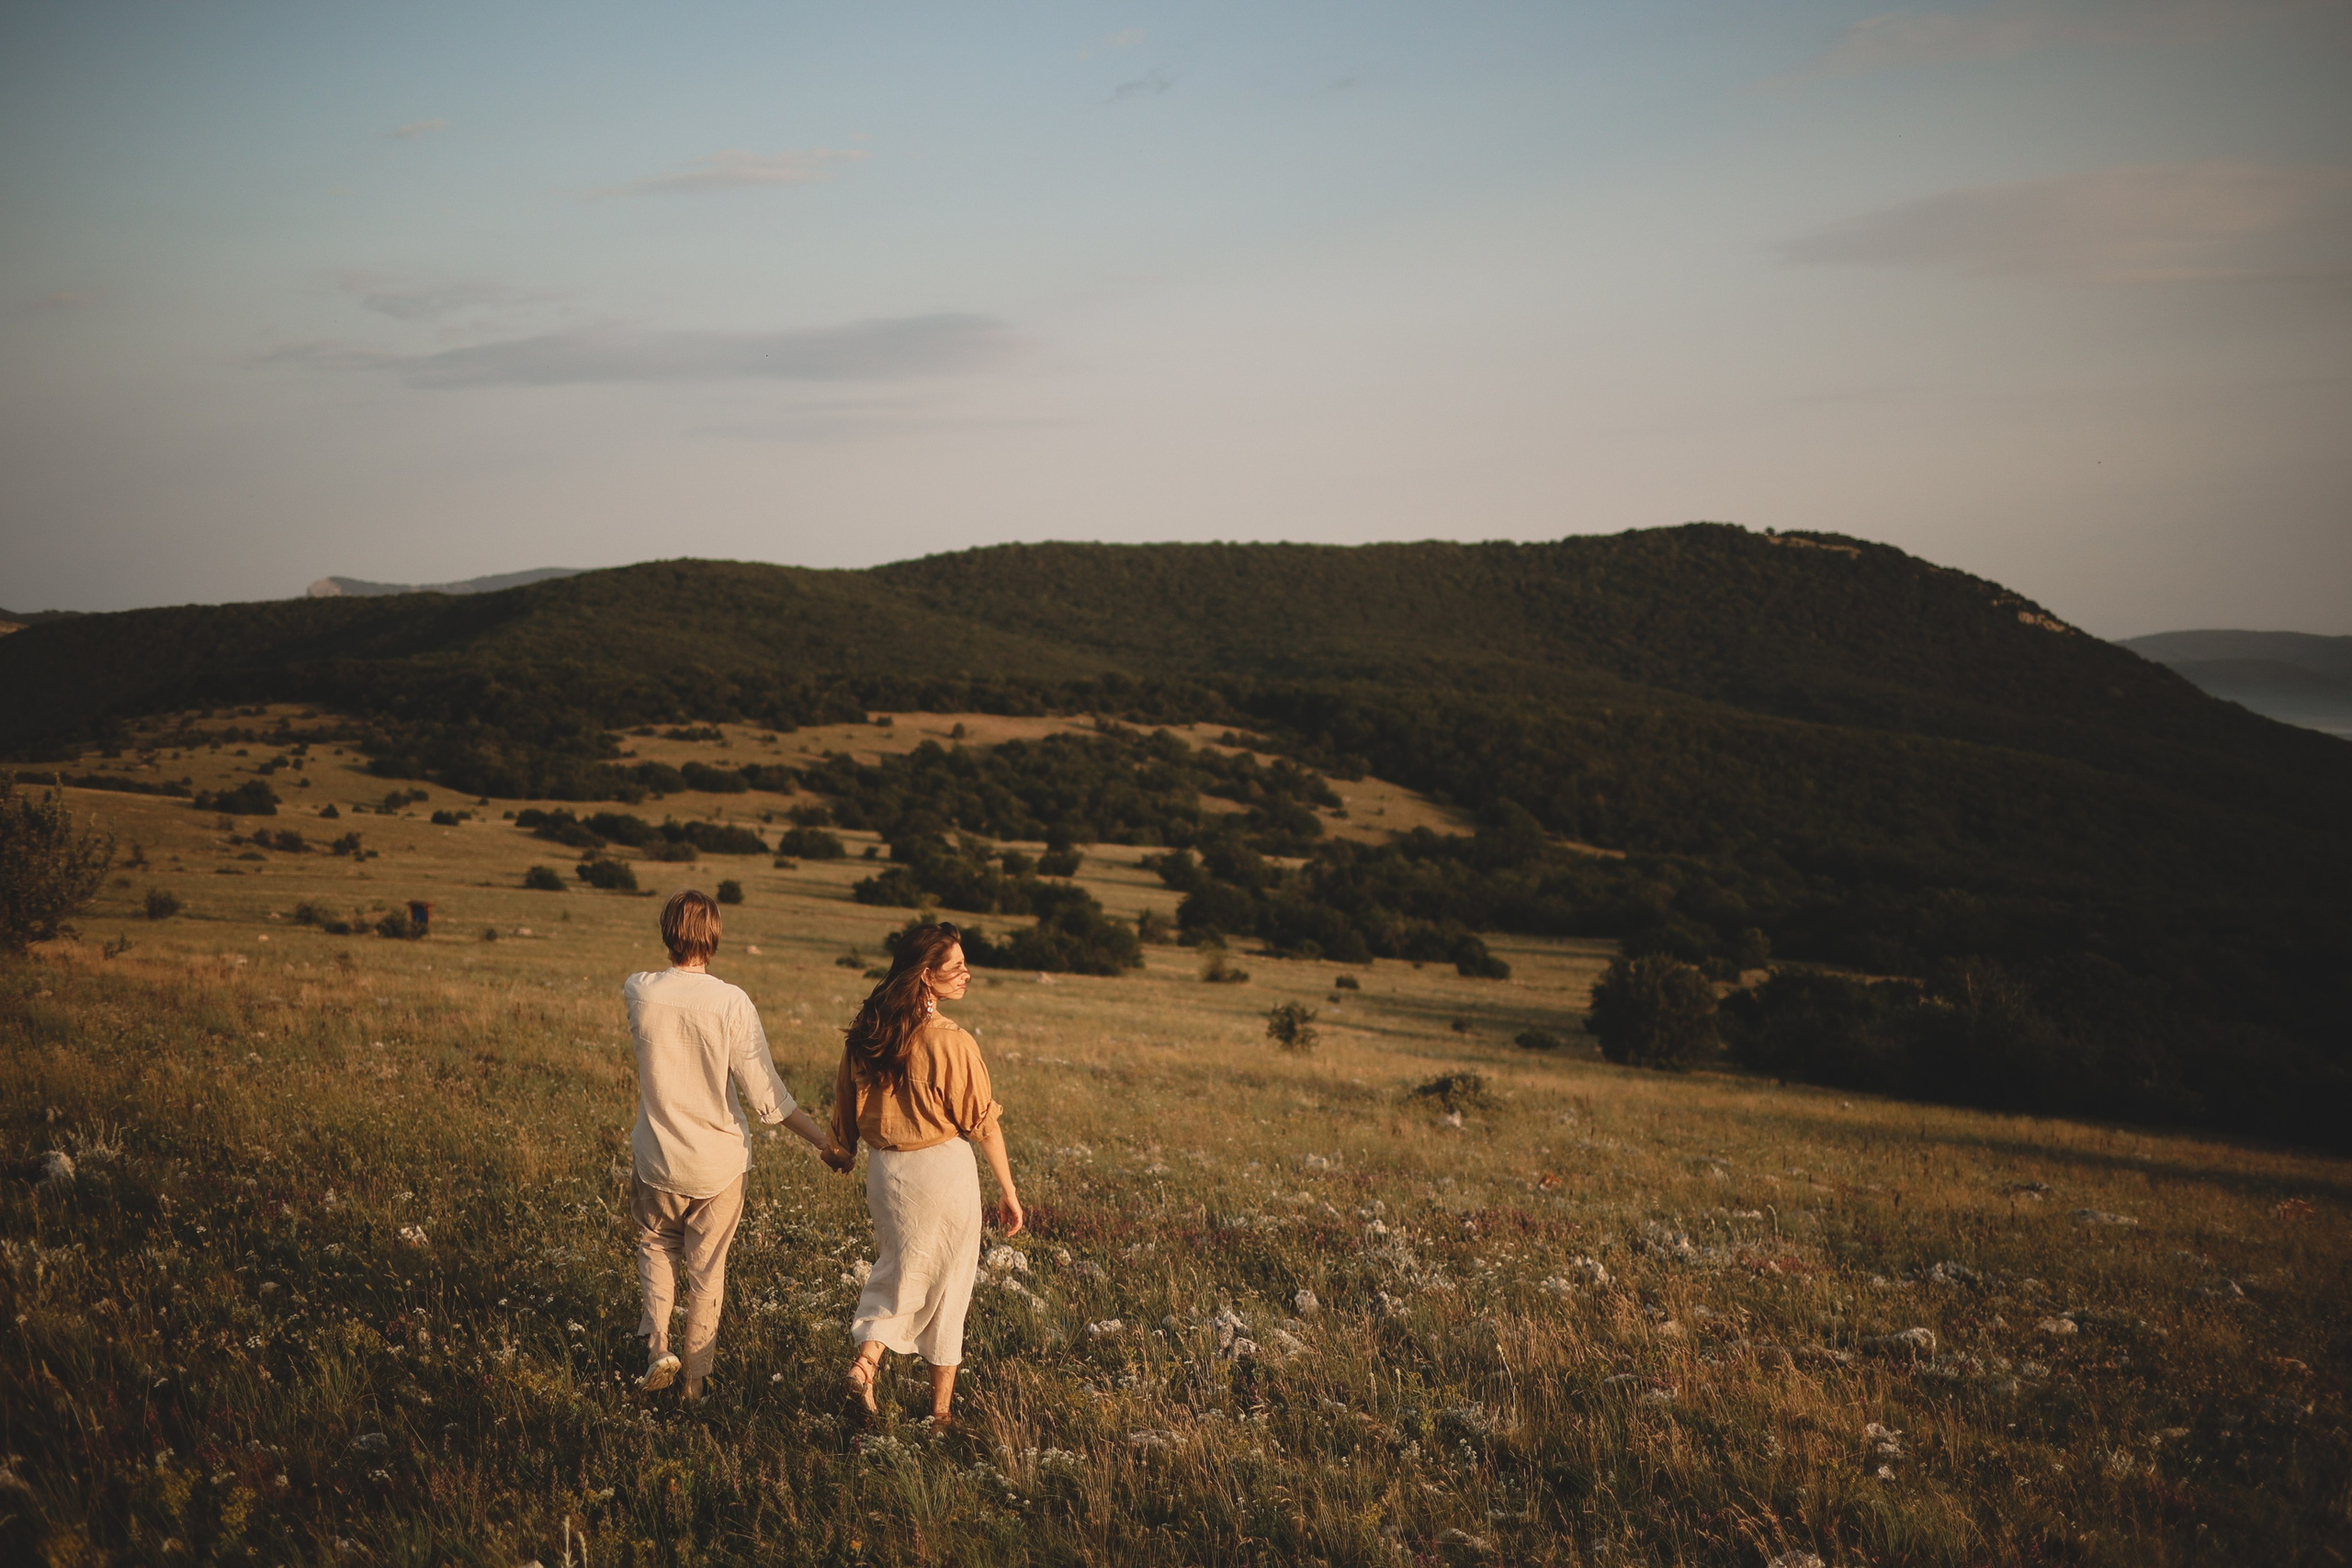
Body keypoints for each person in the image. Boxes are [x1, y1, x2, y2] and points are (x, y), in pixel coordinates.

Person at [623, 888, 839, 1398]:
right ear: (715, 937)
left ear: (667, 931)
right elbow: (768, 1097)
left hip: (656, 1158)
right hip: (717, 1165)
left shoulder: (638, 989)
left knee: (657, 1246)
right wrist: (824, 1143)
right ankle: (694, 1385)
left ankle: (658, 1347)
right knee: (706, 1271)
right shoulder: (731, 1002)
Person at [827, 920, 1022, 1428]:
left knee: (899, 1268)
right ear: (926, 976)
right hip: (941, 1171)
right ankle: (938, 1411)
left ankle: (868, 1365)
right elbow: (983, 1124)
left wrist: (844, 1150)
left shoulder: (868, 1031)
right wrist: (1008, 1190)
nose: (967, 974)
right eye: (956, 967)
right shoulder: (951, 1041)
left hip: (885, 1173)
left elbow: (845, 1105)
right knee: (949, 1284)